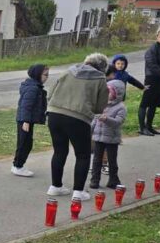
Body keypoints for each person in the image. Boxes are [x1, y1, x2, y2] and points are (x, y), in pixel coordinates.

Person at [46, 53, 110, 201]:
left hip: (55, 114)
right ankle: (78, 191)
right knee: (83, 154)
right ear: (103, 68)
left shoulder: (68, 71)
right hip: (78, 118)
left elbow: (51, 92)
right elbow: (101, 107)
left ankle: (55, 187)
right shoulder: (100, 79)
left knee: (59, 151)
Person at [11, 64, 49, 177]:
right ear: (38, 75)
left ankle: (18, 165)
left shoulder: (34, 86)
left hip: (27, 119)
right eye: (45, 75)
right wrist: (25, 121)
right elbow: (26, 105)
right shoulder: (33, 88)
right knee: (24, 143)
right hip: (25, 120)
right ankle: (18, 166)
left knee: (27, 143)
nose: (47, 77)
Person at [90, 80, 126, 190]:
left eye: (109, 92)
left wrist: (106, 119)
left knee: (112, 160)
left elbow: (118, 122)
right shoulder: (102, 104)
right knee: (96, 160)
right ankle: (94, 181)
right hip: (99, 137)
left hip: (112, 138)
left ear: (116, 94)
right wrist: (90, 130)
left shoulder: (121, 107)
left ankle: (113, 180)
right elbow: (95, 120)